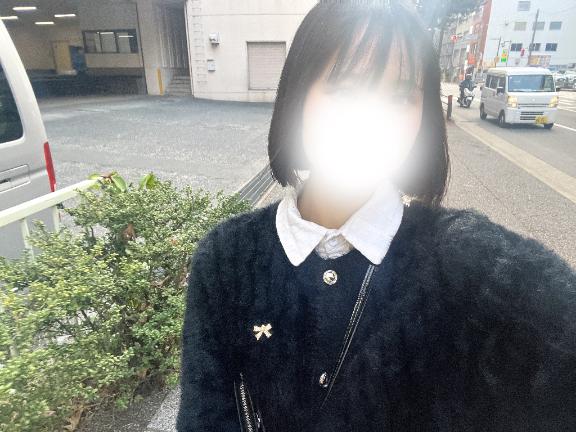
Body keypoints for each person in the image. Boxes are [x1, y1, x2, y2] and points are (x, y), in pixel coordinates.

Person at [176, 1, 576, 431]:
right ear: (297, 97)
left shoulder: (473, 268)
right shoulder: (228, 260)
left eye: (400, 96)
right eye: (346, 89)